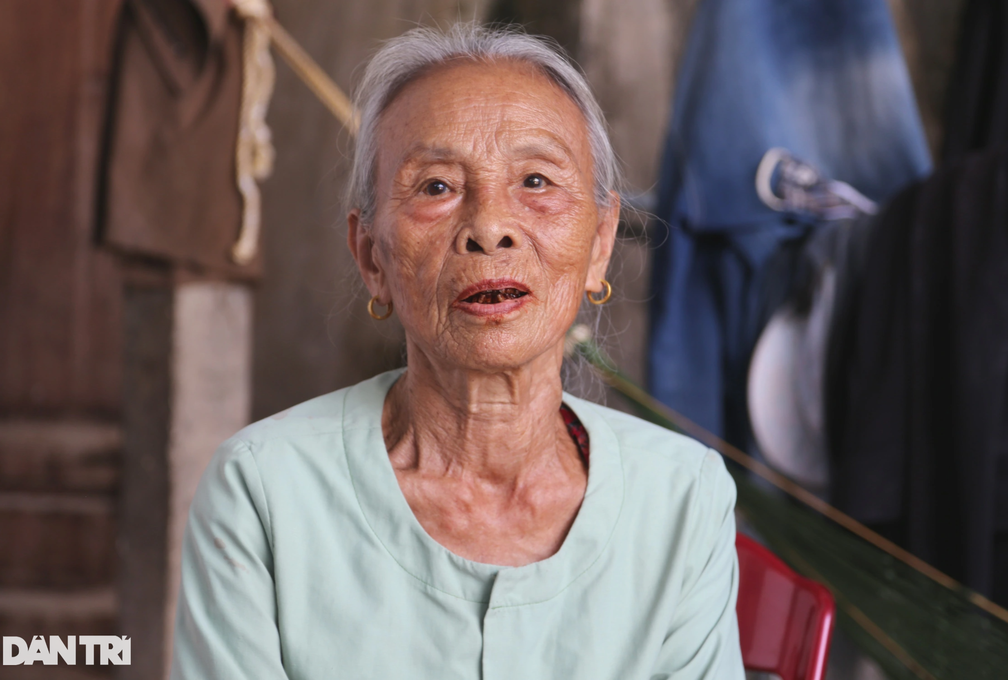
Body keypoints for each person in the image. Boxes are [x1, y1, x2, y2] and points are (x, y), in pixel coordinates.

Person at [171, 23, 743, 679]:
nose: (490, 227)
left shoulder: (681, 498)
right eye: (437, 187)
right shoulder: (264, 491)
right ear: (371, 257)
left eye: (536, 180)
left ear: (601, 242)